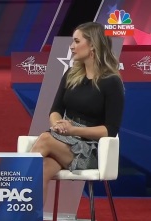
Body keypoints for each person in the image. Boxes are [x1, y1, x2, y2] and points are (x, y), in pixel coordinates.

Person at [30, 22, 125, 204]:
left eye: (76, 41)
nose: (71, 46)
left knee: (44, 139)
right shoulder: (71, 74)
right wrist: (58, 124)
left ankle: (14, 187)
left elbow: (110, 130)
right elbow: (55, 110)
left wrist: (73, 130)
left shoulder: (112, 82)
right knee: (40, 171)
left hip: (92, 149)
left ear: (92, 46)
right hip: (64, 139)